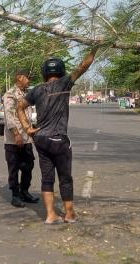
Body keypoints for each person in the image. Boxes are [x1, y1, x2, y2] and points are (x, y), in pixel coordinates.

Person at [18, 47, 99, 224]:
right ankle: (69, 214)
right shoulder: (65, 83)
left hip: (41, 139)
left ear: (44, 73)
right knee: (65, 178)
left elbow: (19, 107)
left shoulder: (37, 90)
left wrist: (27, 128)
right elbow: (83, 66)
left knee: (47, 178)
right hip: (59, 140)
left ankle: (50, 215)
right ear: (61, 71)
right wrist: (96, 47)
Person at [2, 69, 38, 208]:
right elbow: (9, 115)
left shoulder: (26, 94)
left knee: (28, 166)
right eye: (27, 77)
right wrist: (16, 134)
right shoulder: (10, 94)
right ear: (19, 78)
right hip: (13, 139)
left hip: (26, 138)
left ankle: (24, 192)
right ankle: (15, 195)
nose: (29, 80)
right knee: (14, 168)